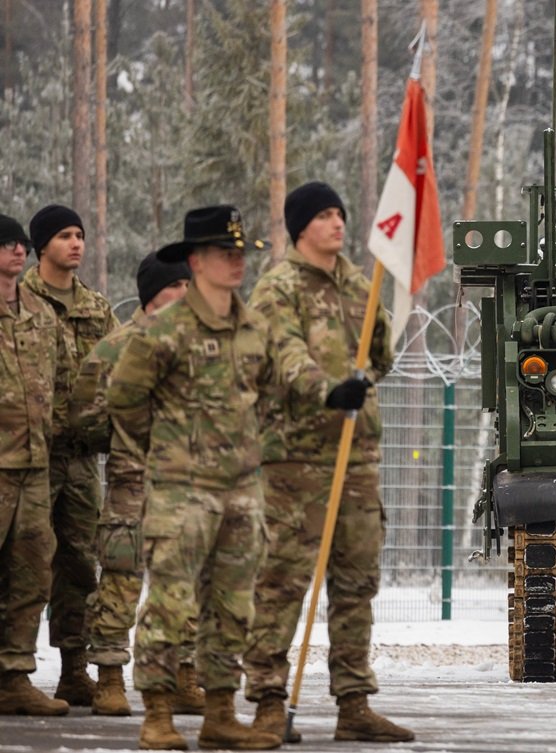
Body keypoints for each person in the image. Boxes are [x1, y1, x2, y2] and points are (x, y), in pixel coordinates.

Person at [107, 205, 332, 750]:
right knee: (169, 605)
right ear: (195, 262)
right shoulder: (164, 331)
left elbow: (283, 378)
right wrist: (165, 450)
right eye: (224, 255)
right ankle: (157, 714)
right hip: (181, 493)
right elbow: (124, 399)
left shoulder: (255, 327)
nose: (237, 264)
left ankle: (218, 713)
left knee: (233, 608)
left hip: (242, 493)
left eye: (240, 254)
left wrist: (334, 391)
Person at [243, 182, 411, 743]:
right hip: (297, 458)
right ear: (300, 228)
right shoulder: (278, 287)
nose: (337, 223)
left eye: (340, 213)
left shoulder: (360, 286)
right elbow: (284, 354)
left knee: (356, 582)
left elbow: (380, 353)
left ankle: (354, 702)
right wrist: (326, 390)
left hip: (356, 454)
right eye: (324, 215)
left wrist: (363, 376)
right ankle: (268, 699)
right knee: (283, 581)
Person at [69, 252, 194, 717]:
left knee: (184, 583)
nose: (185, 294)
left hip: (186, 482)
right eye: (175, 286)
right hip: (133, 482)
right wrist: (127, 435)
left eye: (189, 285)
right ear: (152, 293)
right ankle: (109, 677)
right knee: (121, 579)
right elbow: (83, 417)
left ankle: (183, 675)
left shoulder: (197, 344)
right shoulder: (116, 347)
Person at [22, 204, 118, 707]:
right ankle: (11, 669)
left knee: (79, 562)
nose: (76, 243)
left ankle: (74, 669)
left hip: (81, 459)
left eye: (80, 234)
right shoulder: (19, 301)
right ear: (42, 246)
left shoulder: (97, 309)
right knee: (26, 562)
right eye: (64, 235)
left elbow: (118, 369)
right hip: (29, 460)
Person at [0, 214, 69, 717]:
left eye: (21, 244)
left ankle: (13, 676)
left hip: (33, 466)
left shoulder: (39, 314)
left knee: (31, 575)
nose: (18, 251)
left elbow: (63, 382)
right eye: (7, 245)